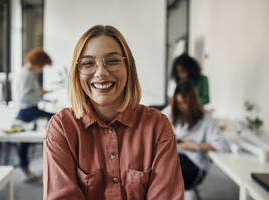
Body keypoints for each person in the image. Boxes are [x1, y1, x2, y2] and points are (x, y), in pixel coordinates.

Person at [43, 25, 184, 200]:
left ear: (128, 67)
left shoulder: (157, 126)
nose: (101, 72)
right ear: (77, 73)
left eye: (112, 61)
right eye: (88, 63)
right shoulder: (62, 128)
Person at [162, 81, 230, 190]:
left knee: (165, 176)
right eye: (178, 103)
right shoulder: (172, 111)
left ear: (193, 102)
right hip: (174, 158)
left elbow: (223, 147)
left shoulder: (205, 120)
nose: (182, 107)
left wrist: (195, 146)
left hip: (193, 164)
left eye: (185, 103)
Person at [15, 48, 54, 182]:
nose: (42, 69)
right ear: (37, 62)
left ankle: (27, 169)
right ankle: (26, 170)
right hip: (27, 110)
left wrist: (39, 92)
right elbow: (25, 96)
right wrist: (40, 93)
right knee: (25, 141)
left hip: (29, 108)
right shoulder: (27, 74)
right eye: (42, 65)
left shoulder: (27, 72)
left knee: (25, 142)